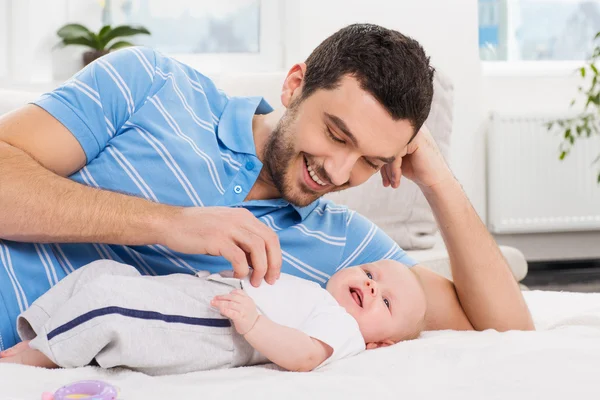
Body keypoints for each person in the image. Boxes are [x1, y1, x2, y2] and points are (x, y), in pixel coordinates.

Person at [0, 23, 534, 350]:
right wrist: (167, 223)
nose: (339, 173)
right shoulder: (152, 85)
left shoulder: (345, 252)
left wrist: (438, 179)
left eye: (370, 160)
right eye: (334, 133)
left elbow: (506, 331)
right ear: (294, 84)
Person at [0, 258, 426, 374]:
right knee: (105, 272)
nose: (371, 286)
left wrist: (256, 324)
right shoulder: (318, 290)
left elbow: (306, 355)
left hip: (224, 329)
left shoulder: (345, 329)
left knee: (113, 304)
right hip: (204, 292)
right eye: (371, 273)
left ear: (381, 343)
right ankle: (41, 332)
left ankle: (42, 356)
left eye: (385, 302)